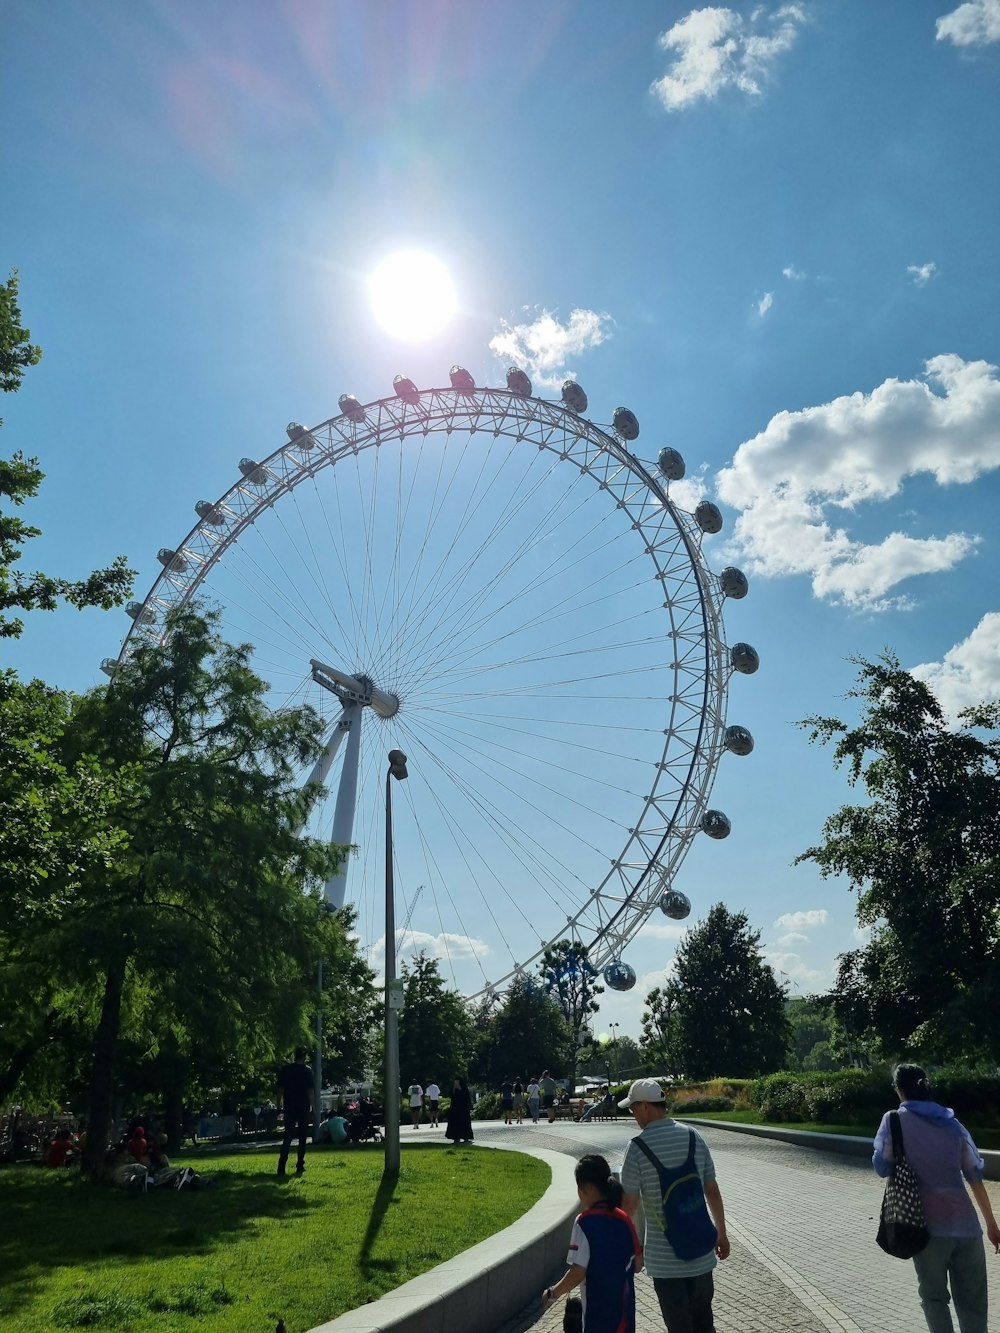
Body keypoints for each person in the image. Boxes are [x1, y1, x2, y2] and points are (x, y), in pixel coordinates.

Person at [873, 1063, 1000, 1333]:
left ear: (899, 1090)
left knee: (934, 1298)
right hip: (968, 1228)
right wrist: (992, 1226)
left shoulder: (893, 1120)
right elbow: (974, 1177)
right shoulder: (951, 1123)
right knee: (974, 1304)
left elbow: (882, 1166)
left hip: (927, 1228)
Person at [619, 1078, 729, 1333]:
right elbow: (711, 1190)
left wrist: (635, 1250)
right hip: (702, 1252)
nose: (633, 1114)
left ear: (645, 1106)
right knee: (704, 1323)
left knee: (679, 1327)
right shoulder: (693, 1137)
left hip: (664, 1261)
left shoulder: (637, 1149)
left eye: (633, 1108)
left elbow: (629, 1205)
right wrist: (721, 1234)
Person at [542, 1153, 642, 1331]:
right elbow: (638, 1265)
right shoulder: (625, 1220)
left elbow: (578, 1271)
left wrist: (553, 1293)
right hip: (625, 1317)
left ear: (585, 1188)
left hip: (599, 1318)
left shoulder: (584, 1223)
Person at [276, 1045, 314, 1177]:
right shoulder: (307, 1071)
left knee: (288, 1136)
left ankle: (281, 1165)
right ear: (305, 1057)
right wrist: (312, 1107)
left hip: (289, 1106)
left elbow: (280, 1090)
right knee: (302, 1136)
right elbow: (310, 1091)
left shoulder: (286, 1070)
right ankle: (299, 1165)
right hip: (303, 1106)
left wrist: (279, 1105)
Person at [445, 1076, 474, 1143]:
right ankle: (455, 1137)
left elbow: (466, 1097)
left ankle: (466, 1136)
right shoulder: (453, 1088)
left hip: (463, 1108)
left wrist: (460, 1089)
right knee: (454, 1122)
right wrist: (454, 1089)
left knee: (464, 1122)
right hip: (455, 1108)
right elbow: (451, 1096)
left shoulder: (464, 1088)